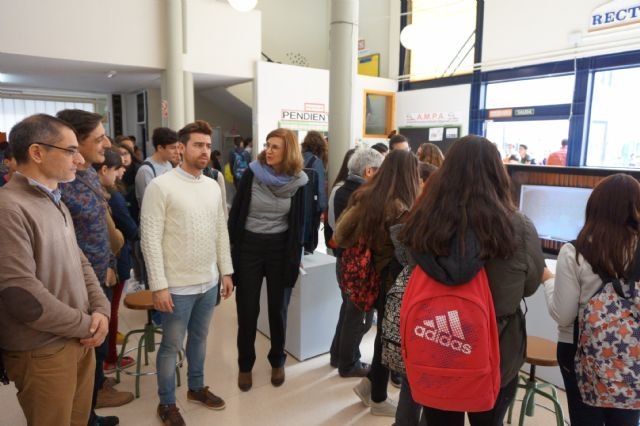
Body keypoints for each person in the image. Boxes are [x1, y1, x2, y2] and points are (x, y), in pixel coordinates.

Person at [398, 135, 544, 426]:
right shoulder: (516, 225)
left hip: (436, 343)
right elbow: (529, 286)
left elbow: (409, 263)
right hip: (497, 348)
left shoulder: (423, 220)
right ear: (497, 174)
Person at [0, 114, 111, 426]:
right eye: (70, 150)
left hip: (78, 339)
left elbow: (80, 261)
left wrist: (100, 308)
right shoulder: (9, 207)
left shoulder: (55, 200)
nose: (78, 159)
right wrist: (87, 324)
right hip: (43, 350)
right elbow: (22, 296)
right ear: (37, 152)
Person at [140, 120, 234, 426]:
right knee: (170, 346)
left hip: (208, 282)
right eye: (198, 144)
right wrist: (159, 285)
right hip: (176, 286)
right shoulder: (161, 186)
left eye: (207, 145)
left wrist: (226, 272)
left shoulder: (211, 185)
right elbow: (150, 239)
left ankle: (196, 387)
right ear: (181, 148)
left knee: (200, 339)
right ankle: (166, 402)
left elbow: (221, 231)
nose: (204, 151)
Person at [541, 173, 640, 426]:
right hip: (633, 352)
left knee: (585, 419)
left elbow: (564, 314)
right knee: (627, 419)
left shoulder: (574, 252)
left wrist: (548, 280)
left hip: (578, 348)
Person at [57, 109, 133, 425]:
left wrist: (112, 264)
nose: (106, 143)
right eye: (98, 138)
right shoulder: (62, 183)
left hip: (102, 274)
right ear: (76, 142)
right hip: (77, 287)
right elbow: (65, 243)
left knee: (96, 355)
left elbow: (103, 226)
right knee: (85, 354)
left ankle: (90, 412)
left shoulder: (88, 173)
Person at [335, 149, 421, 418]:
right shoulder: (401, 206)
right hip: (390, 280)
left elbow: (340, 234)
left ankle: (369, 385)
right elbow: (407, 253)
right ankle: (379, 398)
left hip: (366, 277)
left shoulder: (364, 196)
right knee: (386, 339)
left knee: (382, 334)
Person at [228, 128, 308, 392]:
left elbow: (299, 224)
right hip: (249, 246)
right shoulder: (252, 172)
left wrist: (296, 255)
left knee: (278, 310)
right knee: (248, 310)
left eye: (276, 147)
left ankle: (277, 360)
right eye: (268, 145)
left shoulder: (300, 181)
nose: (268, 150)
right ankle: (245, 365)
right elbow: (237, 212)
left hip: (280, 249)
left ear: (289, 152)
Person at [329, 148, 383, 376]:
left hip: (344, 261)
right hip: (355, 265)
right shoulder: (360, 194)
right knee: (358, 315)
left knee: (348, 311)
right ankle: (349, 363)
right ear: (369, 171)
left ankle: (338, 355)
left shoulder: (340, 188)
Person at [95, 149, 138, 375]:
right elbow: (127, 230)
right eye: (117, 169)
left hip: (110, 263)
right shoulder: (111, 196)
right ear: (103, 169)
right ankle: (110, 358)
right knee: (110, 312)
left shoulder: (103, 193)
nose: (120, 173)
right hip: (115, 262)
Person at [135, 127, 179, 207]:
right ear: (160, 148)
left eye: (177, 147)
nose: (177, 152)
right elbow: (148, 201)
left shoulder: (169, 164)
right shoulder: (146, 170)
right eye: (173, 148)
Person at [301, 131, 328, 253]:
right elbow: (320, 186)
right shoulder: (315, 161)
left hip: (297, 200)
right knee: (310, 231)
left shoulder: (298, 157)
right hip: (311, 203)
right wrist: (322, 207)